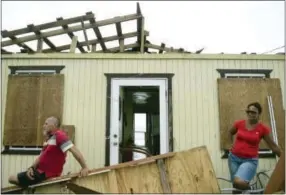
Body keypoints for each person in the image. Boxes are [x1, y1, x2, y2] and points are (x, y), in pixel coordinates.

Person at [8, 116, 89, 188]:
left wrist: (84, 167)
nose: (43, 126)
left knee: (11, 178)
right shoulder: (50, 140)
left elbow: (73, 150)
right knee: (13, 179)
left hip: (45, 174)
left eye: (46, 124)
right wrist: (31, 168)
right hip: (39, 172)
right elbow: (40, 157)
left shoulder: (59, 136)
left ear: (54, 125)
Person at [228, 102, 281, 192]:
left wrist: (283, 158)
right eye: (249, 111)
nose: (250, 114)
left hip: (249, 161)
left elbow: (273, 146)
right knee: (236, 187)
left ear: (259, 114)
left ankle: (252, 191)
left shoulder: (262, 129)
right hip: (233, 159)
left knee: (238, 182)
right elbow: (230, 132)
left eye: (253, 112)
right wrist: (230, 144)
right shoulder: (239, 123)